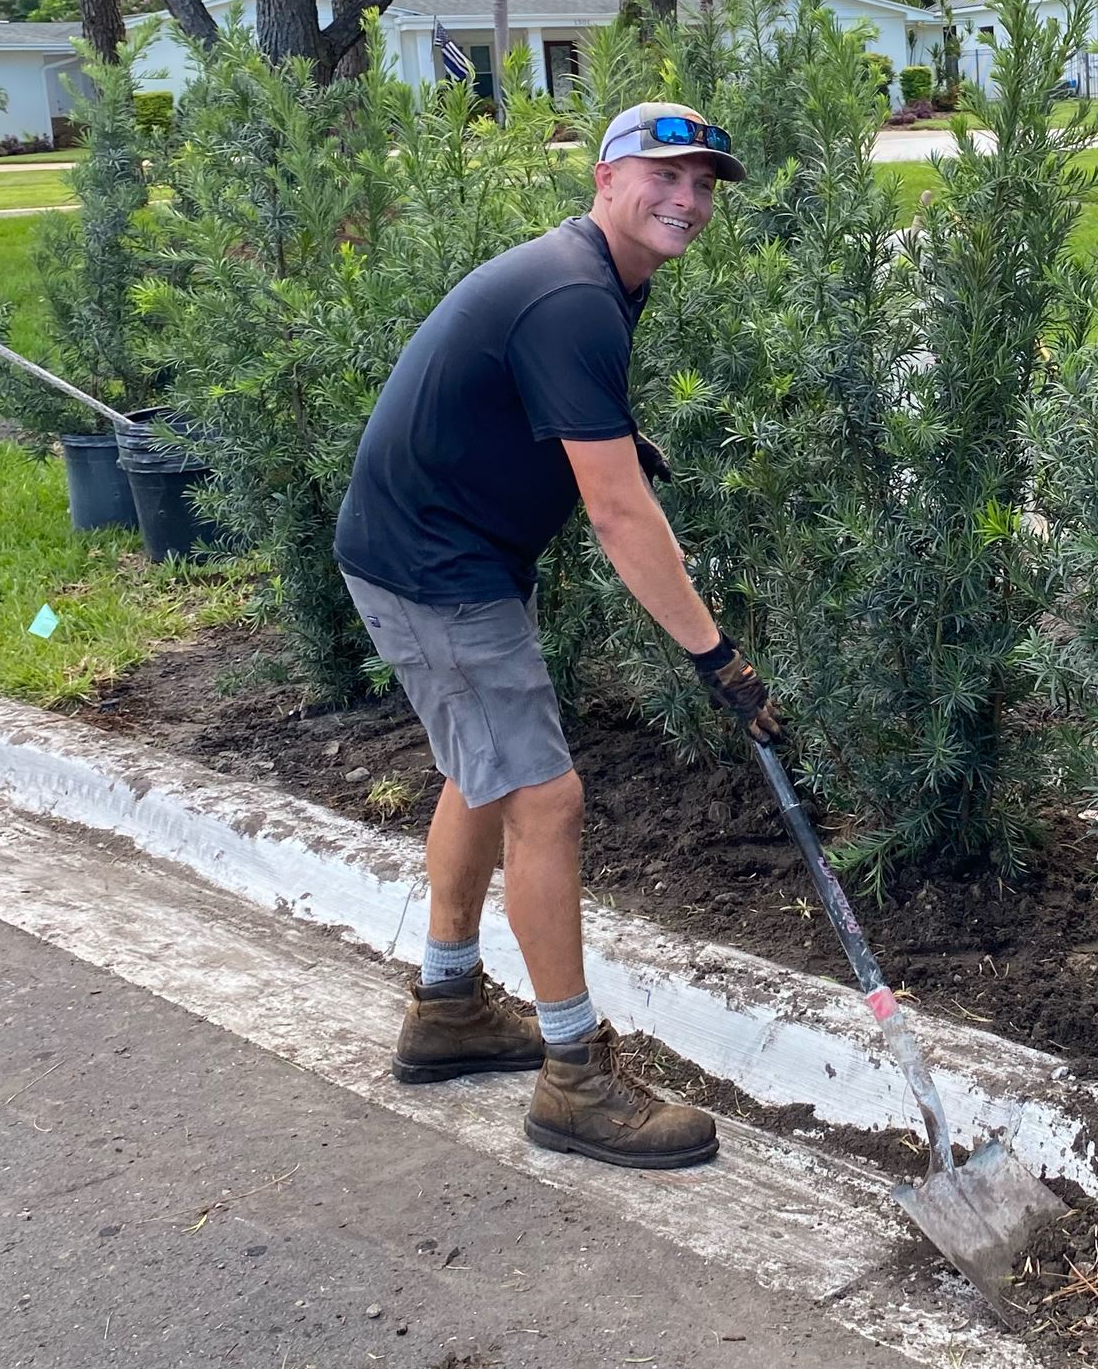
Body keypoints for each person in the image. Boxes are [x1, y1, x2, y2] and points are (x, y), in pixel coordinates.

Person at [333, 101, 781, 1171]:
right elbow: (619, 517)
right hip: (435, 568)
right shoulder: (578, 295)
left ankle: (447, 1006)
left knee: (483, 773)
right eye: (664, 175)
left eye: (704, 182)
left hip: (435, 550)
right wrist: (718, 659)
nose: (687, 198)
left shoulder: (588, 279)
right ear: (604, 179)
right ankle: (575, 1077)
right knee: (547, 796)